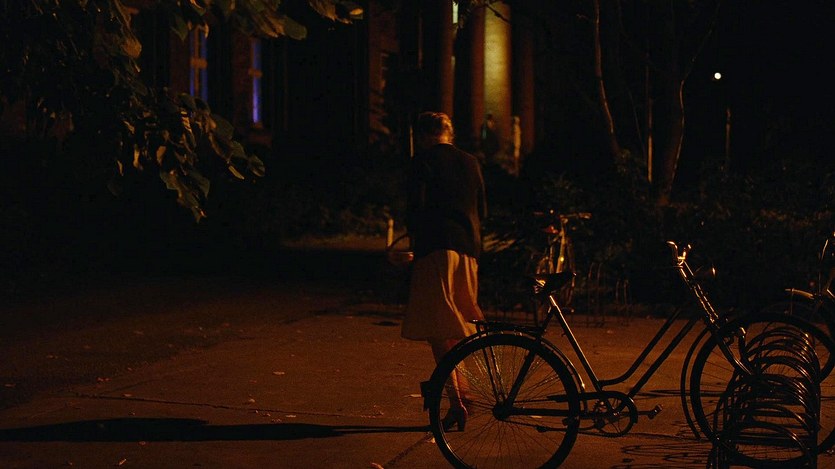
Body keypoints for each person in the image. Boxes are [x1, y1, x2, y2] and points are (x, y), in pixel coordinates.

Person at [401, 111, 487, 431]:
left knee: (436, 326)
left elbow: (416, 208)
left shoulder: (422, 161)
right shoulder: (471, 162)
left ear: (423, 136)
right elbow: (482, 208)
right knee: (456, 325)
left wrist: (413, 244)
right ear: (449, 134)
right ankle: (461, 394)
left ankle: (458, 398)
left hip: (436, 248)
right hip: (468, 250)